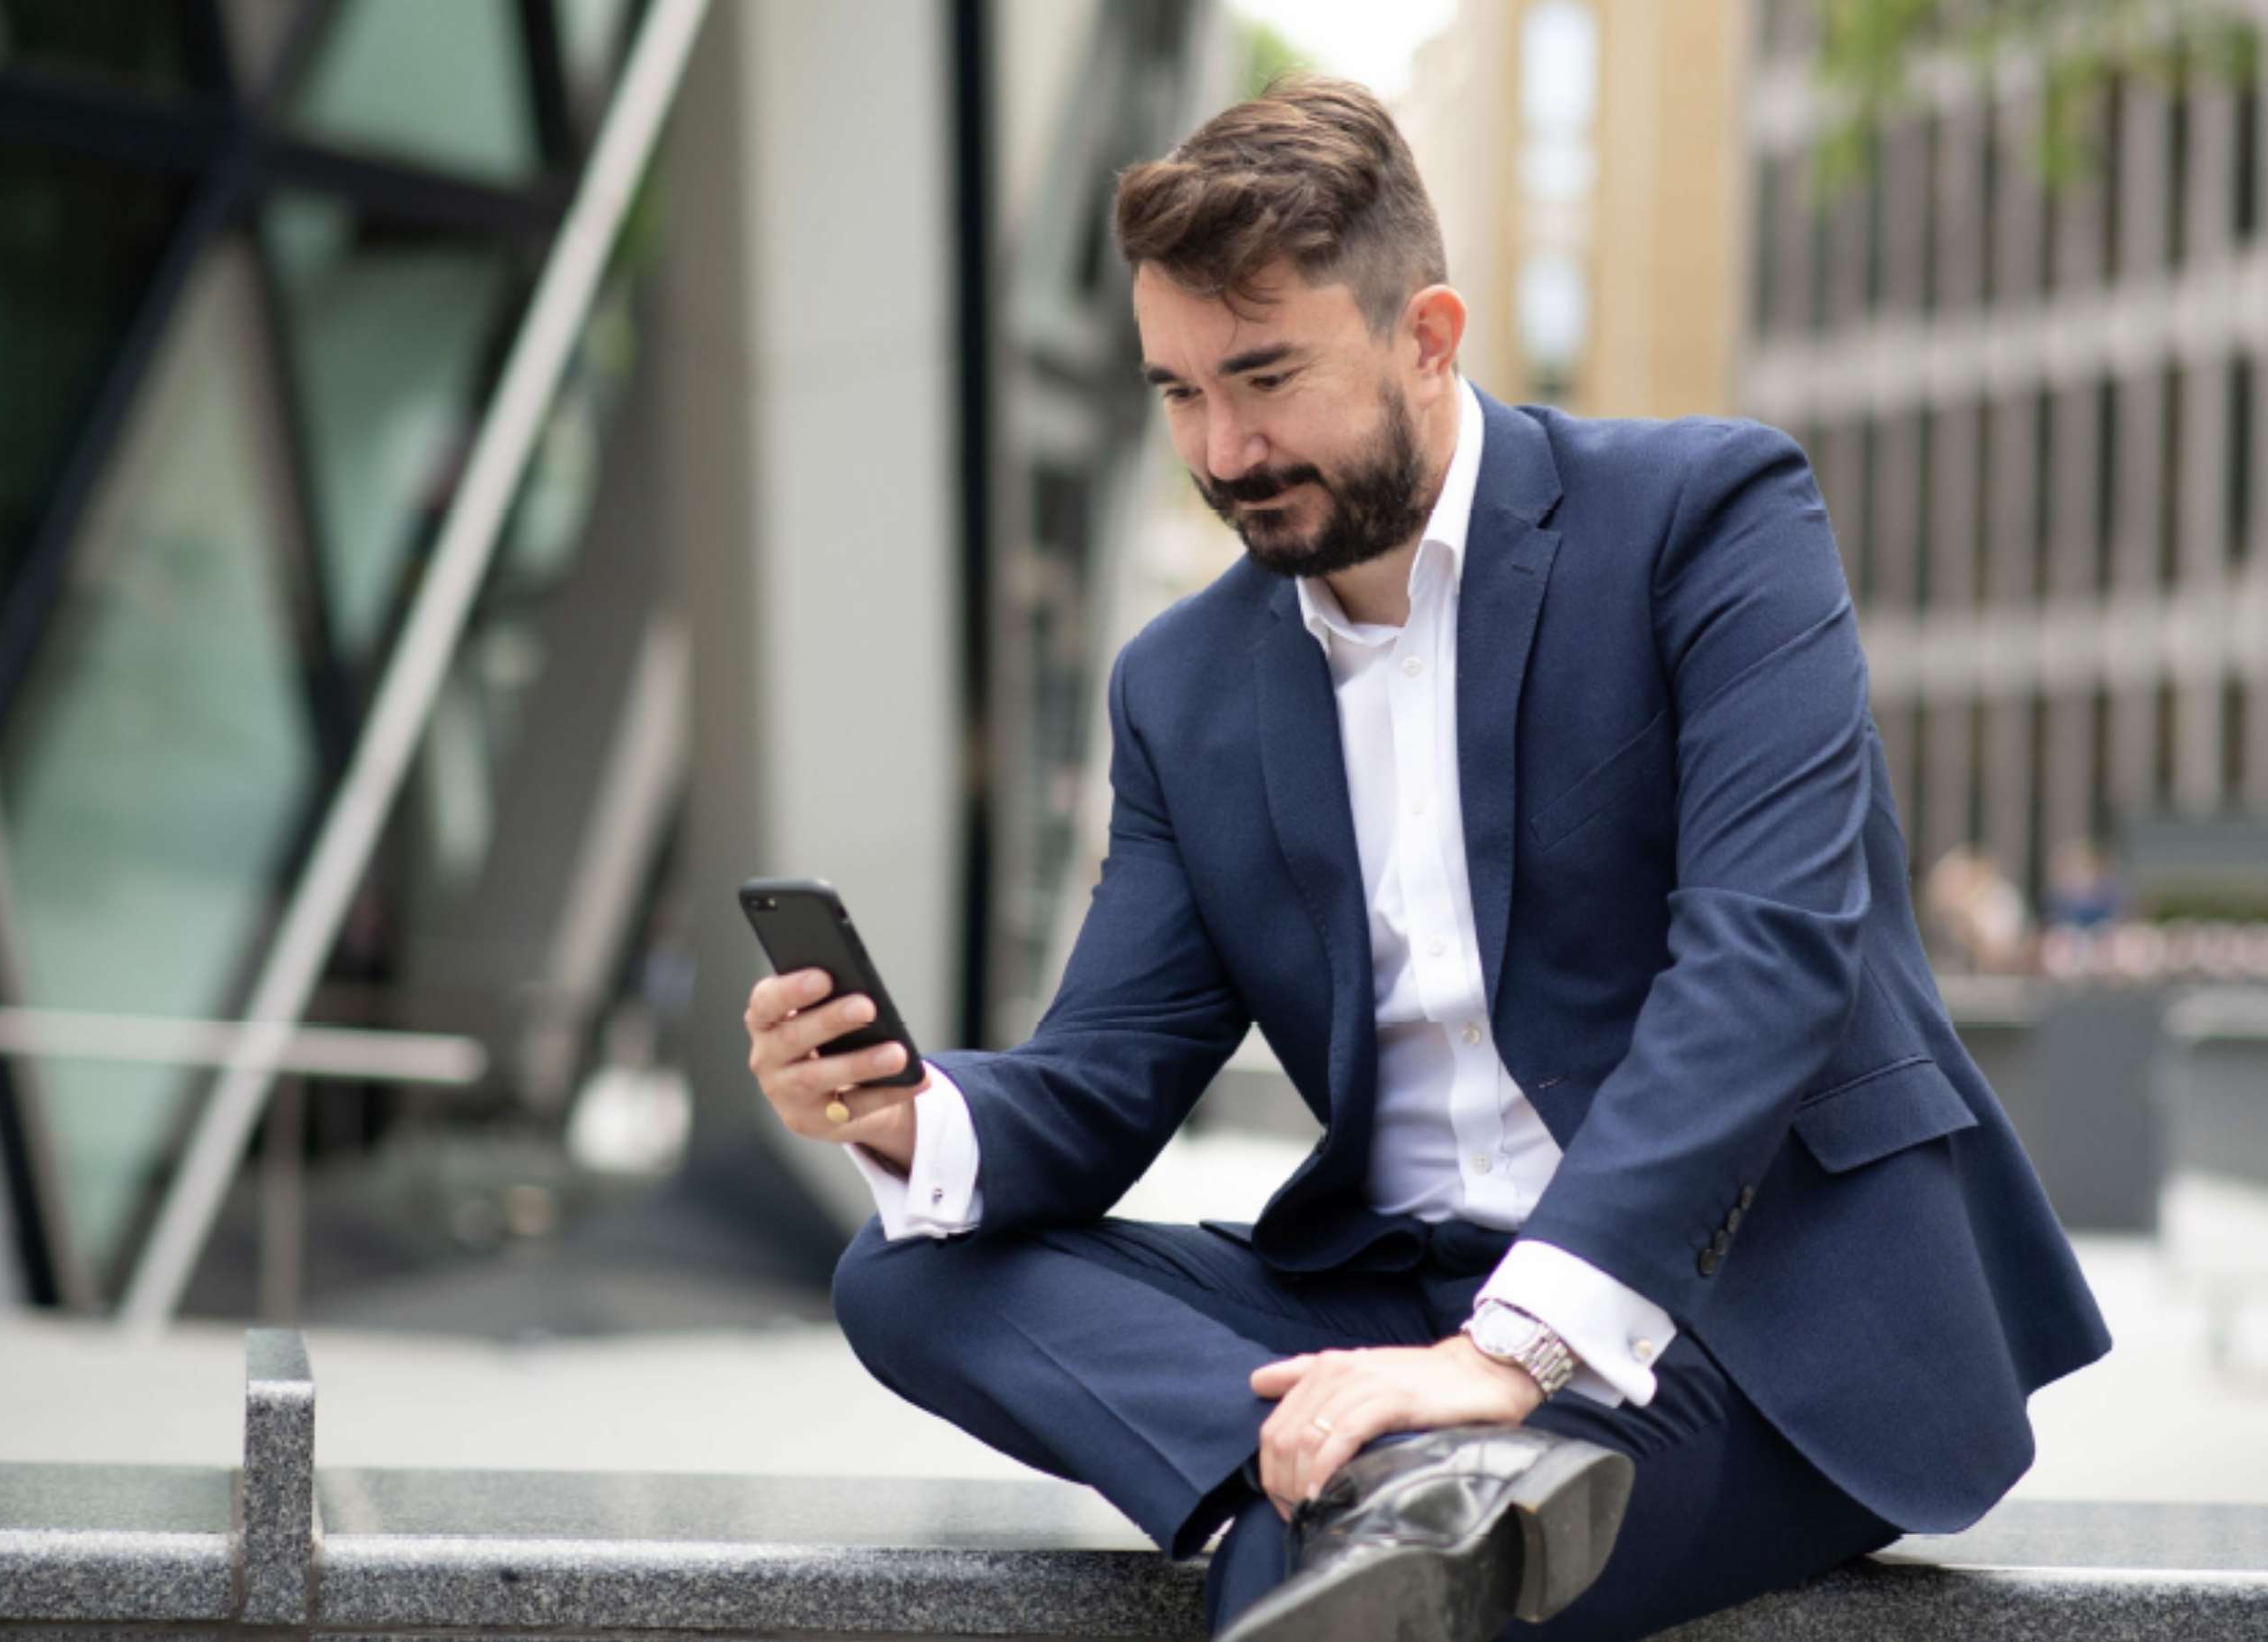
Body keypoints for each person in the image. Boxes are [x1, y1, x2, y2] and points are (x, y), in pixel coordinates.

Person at [742, 75, 2111, 1642]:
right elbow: (1109, 1072)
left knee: (1332, 1589)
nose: (1225, 445)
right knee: (906, 1272)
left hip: (1743, 1312)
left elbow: (1766, 960)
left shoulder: (1709, 518)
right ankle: (1402, 1478)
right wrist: (913, 1115)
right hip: (1398, 1299)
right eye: (1177, 393)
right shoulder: (1182, 685)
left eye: (1265, 376)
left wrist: (1506, 1358)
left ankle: (1401, 1489)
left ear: (1430, 336)